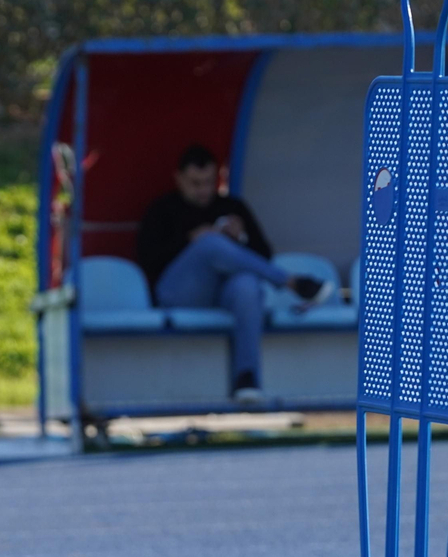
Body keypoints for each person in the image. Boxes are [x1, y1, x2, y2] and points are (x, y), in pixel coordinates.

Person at [135, 144, 330, 403]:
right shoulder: (162, 209)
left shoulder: (232, 206)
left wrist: (242, 238)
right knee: (210, 244)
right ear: (179, 178)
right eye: (195, 183)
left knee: (248, 285)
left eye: (208, 182)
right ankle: (292, 282)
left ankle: (246, 379)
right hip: (178, 293)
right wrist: (190, 241)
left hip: (224, 296)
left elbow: (263, 255)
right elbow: (148, 262)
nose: (204, 190)